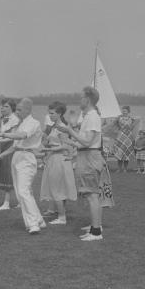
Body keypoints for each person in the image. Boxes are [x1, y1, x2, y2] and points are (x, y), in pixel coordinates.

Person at [55, 86, 110, 241]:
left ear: (87, 99)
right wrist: (69, 139)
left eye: (81, 97)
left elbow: (87, 141)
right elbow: (83, 142)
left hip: (90, 158)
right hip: (87, 156)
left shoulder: (92, 117)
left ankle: (96, 232)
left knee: (92, 195)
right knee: (91, 195)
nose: (79, 100)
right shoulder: (89, 116)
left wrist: (69, 131)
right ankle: (95, 226)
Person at [0, 98, 45, 234]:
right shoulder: (21, 124)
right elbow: (14, 146)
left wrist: (1, 133)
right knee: (23, 193)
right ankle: (39, 220)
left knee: (23, 191)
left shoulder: (33, 123)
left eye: (19, 110)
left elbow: (21, 136)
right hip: (17, 157)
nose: (17, 112)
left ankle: (33, 224)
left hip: (27, 158)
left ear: (27, 110)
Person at [38, 101, 78, 225]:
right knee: (58, 187)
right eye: (49, 113)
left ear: (59, 113)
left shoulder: (62, 128)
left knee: (57, 188)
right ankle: (60, 212)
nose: (50, 116)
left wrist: (48, 149)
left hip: (59, 159)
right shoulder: (54, 126)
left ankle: (61, 217)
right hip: (53, 158)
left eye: (52, 113)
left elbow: (65, 145)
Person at [111, 106, 139, 173]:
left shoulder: (131, 118)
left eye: (125, 110)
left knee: (127, 153)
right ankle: (119, 168)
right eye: (123, 110)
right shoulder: (119, 118)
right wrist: (116, 119)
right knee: (119, 152)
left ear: (128, 111)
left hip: (128, 137)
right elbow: (113, 123)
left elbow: (137, 121)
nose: (123, 111)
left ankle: (125, 169)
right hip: (120, 136)